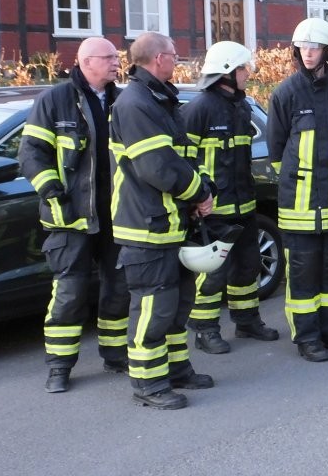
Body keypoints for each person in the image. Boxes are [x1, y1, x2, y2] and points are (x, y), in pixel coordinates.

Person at [109, 32, 215, 409]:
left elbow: (181, 157)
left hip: (170, 222)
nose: (178, 60)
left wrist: (203, 185)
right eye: (174, 55)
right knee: (153, 309)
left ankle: (176, 369)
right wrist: (199, 193)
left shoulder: (158, 99)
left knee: (176, 304)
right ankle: (149, 383)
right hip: (146, 226)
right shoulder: (136, 104)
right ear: (157, 59)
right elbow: (158, 167)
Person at [19, 37, 128, 393]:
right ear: (86, 61)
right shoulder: (54, 100)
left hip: (116, 216)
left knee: (119, 289)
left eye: (117, 57)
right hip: (71, 219)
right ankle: (59, 366)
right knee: (69, 294)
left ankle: (116, 355)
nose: (116, 62)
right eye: (110, 57)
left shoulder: (121, 99)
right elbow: (31, 153)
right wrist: (52, 192)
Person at [267, 18, 328, 362]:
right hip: (300, 206)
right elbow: (276, 151)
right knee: (304, 274)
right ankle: (307, 337)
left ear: (326, 51)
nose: (308, 54)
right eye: (302, 47)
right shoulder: (285, 93)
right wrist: (296, 186)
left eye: (314, 47)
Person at [181, 41, 279, 354]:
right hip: (214, 210)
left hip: (244, 205)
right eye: (242, 68)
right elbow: (185, 159)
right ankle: (205, 329)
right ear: (227, 71)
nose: (247, 74)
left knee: (247, 266)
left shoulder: (242, 106)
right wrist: (196, 199)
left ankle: (247, 320)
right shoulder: (199, 109)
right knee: (214, 274)